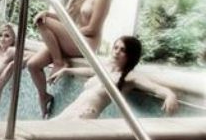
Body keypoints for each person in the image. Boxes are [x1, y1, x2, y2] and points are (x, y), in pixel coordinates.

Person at [27, 0, 112, 118]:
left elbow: (92, 29)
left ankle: (59, 62)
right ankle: (43, 96)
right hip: (73, 38)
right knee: (33, 65)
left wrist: (64, 29)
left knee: (44, 23)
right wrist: (48, 13)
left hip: (86, 42)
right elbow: (66, 17)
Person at [50, 36, 179, 119]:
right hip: (71, 110)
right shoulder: (104, 69)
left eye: (122, 50)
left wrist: (170, 95)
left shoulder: (130, 77)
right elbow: (89, 71)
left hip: (85, 115)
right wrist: (66, 70)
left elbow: (155, 88)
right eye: (115, 47)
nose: (117, 51)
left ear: (130, 55)